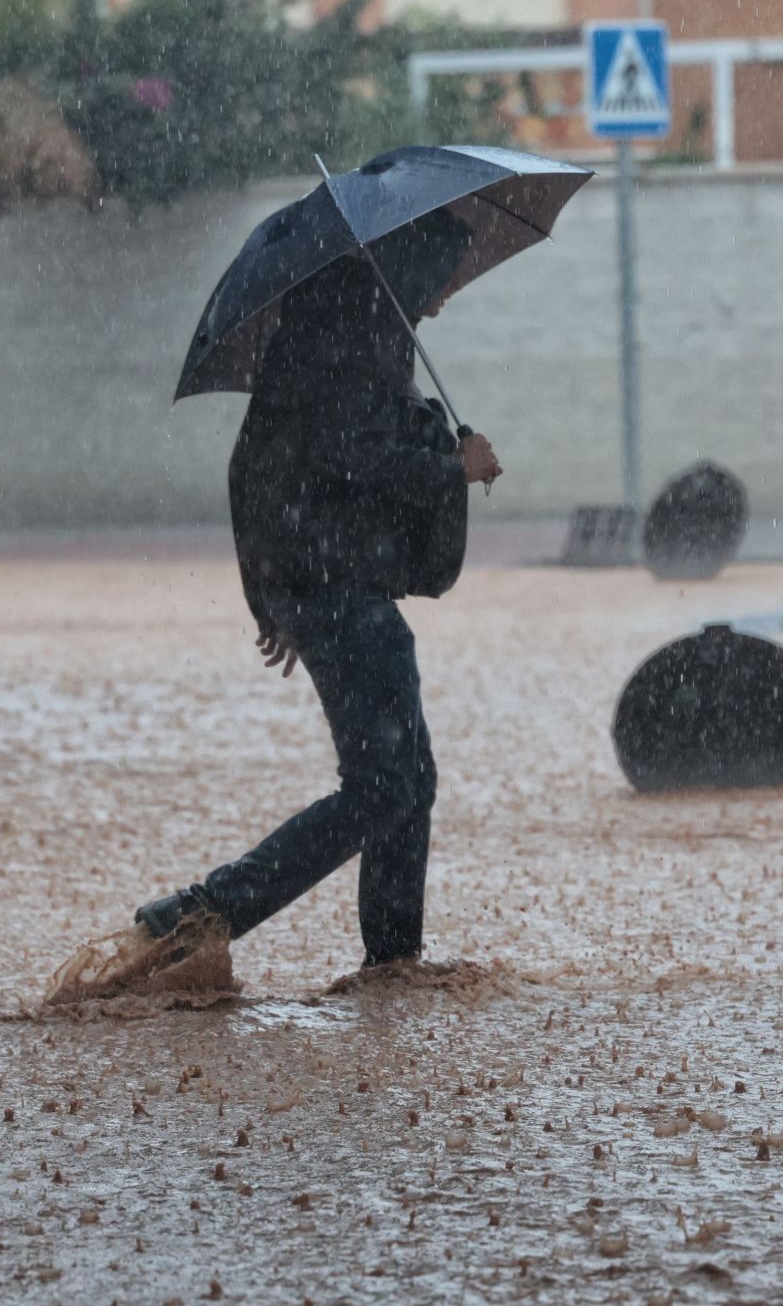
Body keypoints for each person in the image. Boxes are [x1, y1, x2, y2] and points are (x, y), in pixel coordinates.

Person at [47, 217, 500, 1003]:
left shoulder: (337, 324)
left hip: (328, 590)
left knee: (406, 777)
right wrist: (450, 466)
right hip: (344, 594)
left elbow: (261, 463)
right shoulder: (355, 330)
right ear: (420, 263)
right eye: (449, 276)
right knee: (386, 784)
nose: (449, 297)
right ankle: (201, 914)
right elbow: (359, 460)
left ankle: (392, 964)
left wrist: (276, 596)